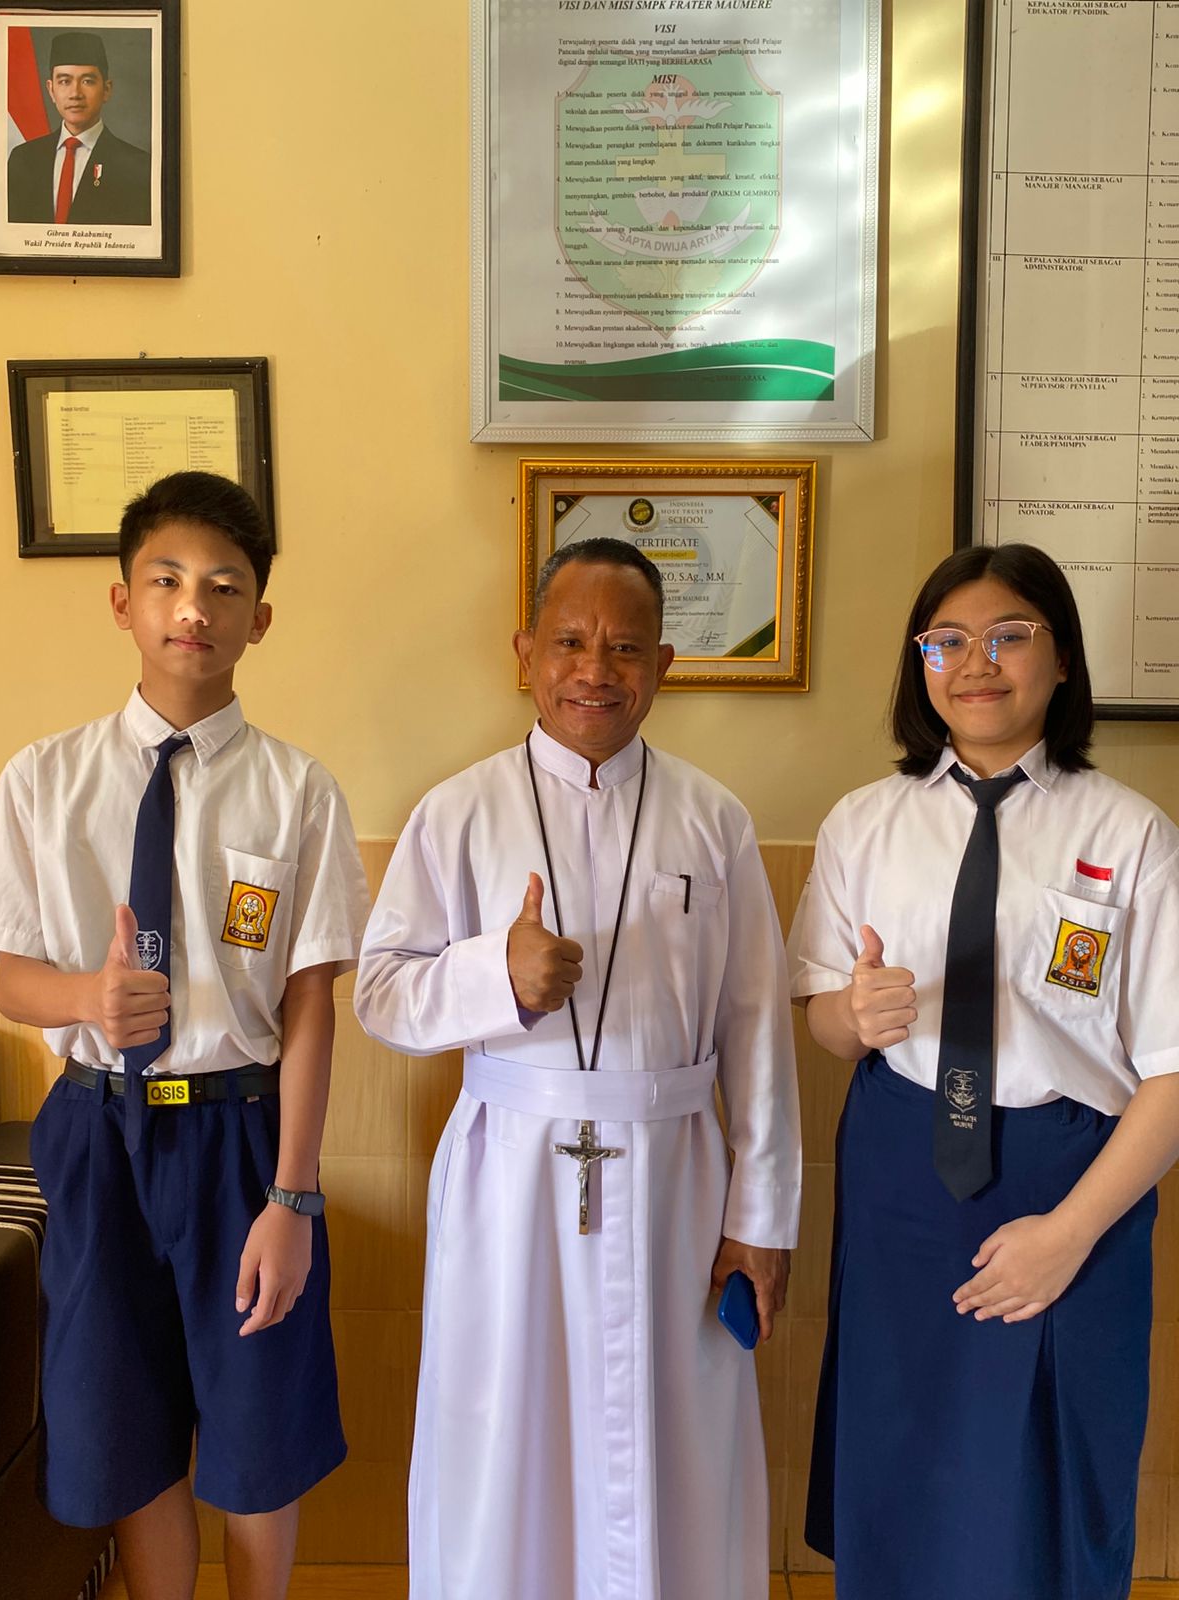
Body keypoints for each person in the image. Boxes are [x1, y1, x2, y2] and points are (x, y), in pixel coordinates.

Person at [354, 538, 801, 1600]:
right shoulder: (457, 812)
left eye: (625, 647)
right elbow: (381, 994)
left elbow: (757, 1032)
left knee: (679, 1432)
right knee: (503, 1432)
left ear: (665, 665)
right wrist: (493, 977)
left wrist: (762, 1218)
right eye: (569, 642)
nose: (595, 670)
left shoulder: (715, 818)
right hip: (509, 1170)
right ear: (525, 653)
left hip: (677, 1177)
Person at [0, 472, 370, 1600]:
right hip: (96, 1135)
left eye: (224, 586)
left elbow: (309, 1004)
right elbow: (8, 981)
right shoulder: (42, 780)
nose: (193, 606)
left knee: (258, 1427)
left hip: (241, 1137)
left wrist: (292, 1197)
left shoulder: (297, 791)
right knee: (128, 1424)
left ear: (260, 617)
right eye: (166, 580)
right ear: (123, 602)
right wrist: (86, 999)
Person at [789, 542, 1179, 1600]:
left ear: (1063, 658)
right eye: (947, 641)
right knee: (901, 1454)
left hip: (1069, 1183)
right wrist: (852, 1015)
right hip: (902, 1176)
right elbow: (823, 1018)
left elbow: (1172, 1074)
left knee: (1051, 1478)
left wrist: (1069, 1234)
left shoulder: (1131, 834)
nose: (977, 662)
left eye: (1010, 635)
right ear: (920, 662)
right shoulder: (864, 822)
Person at [7, 30, 150, 225]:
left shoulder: (138, 167)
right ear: (51, 90)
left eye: (87, 81)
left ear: (106, 89)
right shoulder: (23, 159)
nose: (75, 93)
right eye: (64, 81)